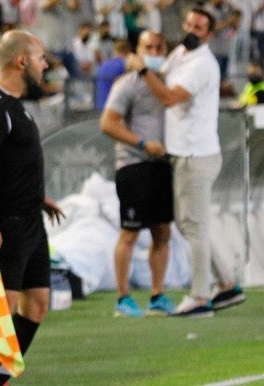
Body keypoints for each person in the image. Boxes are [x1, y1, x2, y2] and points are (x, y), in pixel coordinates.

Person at [0, 31, 65, 386]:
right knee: (0, 309)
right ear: (21, 61)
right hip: (6, 226)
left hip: (31, 223)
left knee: (36, 305)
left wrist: (38, 197)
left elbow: (10, 164)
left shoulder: (16, 105)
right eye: (40, 59)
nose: (43, 66)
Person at [131, 7, 245, 317]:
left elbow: (169, 97)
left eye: (199, 27)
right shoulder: (181, 53)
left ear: (209, 34)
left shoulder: (202, 64)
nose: (192, 30)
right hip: (188, 153)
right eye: (190, 23)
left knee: (192, 226)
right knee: (194, 224)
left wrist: (142, 71)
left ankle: (199, 295)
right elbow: (163, 75)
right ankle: (227, 284)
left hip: (196, 156)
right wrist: (150, 69)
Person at [100, 30, 175, 318]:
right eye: (148, 47)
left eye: (159, 47)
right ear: (138, 51)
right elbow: (107, 124)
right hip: (134, 165)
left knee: (162, 231)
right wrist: (144, 144)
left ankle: (157, 295)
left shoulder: (167, 84)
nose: (154, 52)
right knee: (130, 232)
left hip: (161, 165)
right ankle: (123, 298)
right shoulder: (127, 84)